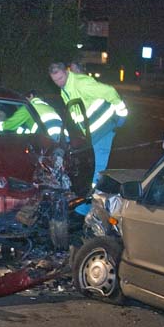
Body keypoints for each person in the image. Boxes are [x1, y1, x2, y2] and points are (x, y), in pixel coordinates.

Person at [48, 62, 128, 214]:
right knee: (89, 167)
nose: (59, 82)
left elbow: (110, 91)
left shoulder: (81, 83)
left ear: (66, 72)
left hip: (104, 128)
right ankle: (87, 203)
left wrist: (121, 112)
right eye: (55, 80)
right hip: (92, 132)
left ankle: (90, 207)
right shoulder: (64, 90)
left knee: (96, 169)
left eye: (60, 78)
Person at [0, 90, 64, 140]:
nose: (24, 100)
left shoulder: (28, 107)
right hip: (60, 139)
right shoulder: (47, 106)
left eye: (25, 98)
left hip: (46, 141)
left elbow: (11, 124)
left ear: (31, 96)